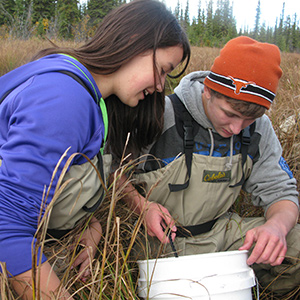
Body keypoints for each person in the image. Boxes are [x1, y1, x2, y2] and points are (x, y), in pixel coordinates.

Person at [0, 0, 191, 298]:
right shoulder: (66, 99)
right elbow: (7, 227)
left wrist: (91, 228)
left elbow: (53, 191)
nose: (160, 87)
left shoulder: (90, 98)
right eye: (163, 70)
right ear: (133, 42)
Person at [125, 36, 300, 295]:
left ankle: (260, 290)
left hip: (224, 236)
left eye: (250, 119)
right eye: (229, 113)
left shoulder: (260, 130)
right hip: (158, 243)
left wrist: (276, 226)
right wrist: (142, 206)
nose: (236, 129)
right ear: (208, 89)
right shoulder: (160, 115)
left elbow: (282, 194)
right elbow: (112, 174)